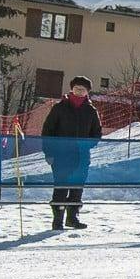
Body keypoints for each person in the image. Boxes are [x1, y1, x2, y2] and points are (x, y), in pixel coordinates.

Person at [40, 76, 101, 231]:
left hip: (81, 157)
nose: (79, 91)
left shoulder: (91, 111)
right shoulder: (59, 108)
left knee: (77, 188)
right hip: (60, 156)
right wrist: (49, 152)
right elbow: (48, 131)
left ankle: (72, 218)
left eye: (83, 89)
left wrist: (86, 145)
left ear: (87, 92)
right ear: (71, 89)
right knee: (61, 187)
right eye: (77, 88)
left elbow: (96, 133)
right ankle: (57, 220)